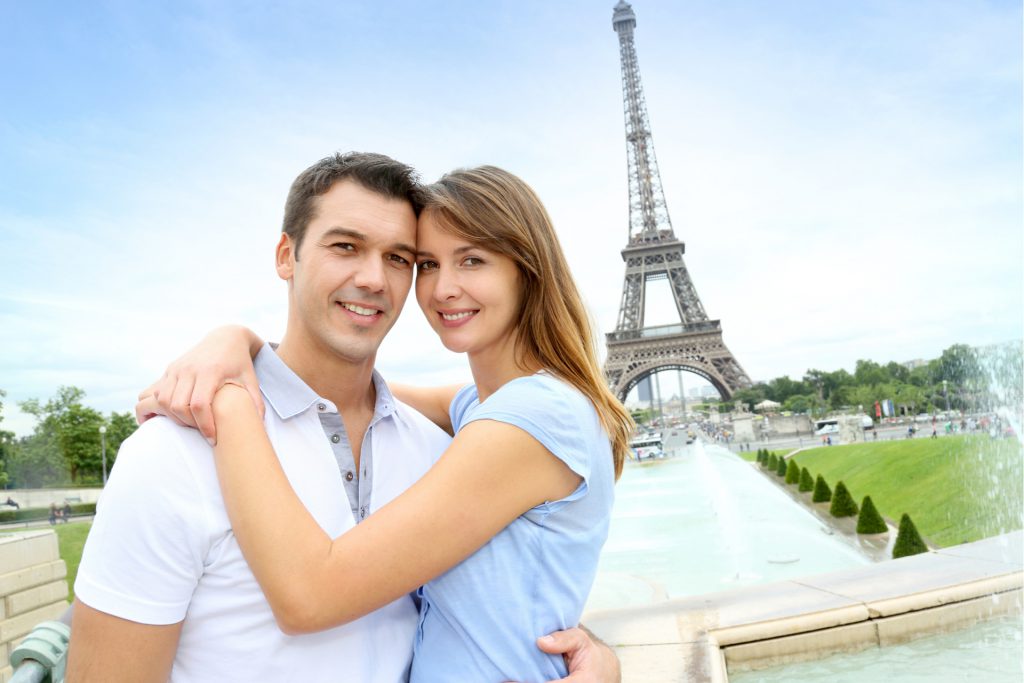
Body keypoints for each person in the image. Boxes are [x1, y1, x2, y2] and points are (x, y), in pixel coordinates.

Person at [68, 154, 618, 683]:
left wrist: (233, 401)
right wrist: (238, 342)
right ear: (287, 255)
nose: (377, 279)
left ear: (529, 271)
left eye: (401, 258)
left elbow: (313, 594)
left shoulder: (473, 437)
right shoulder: (169, 457)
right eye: (345, 247)